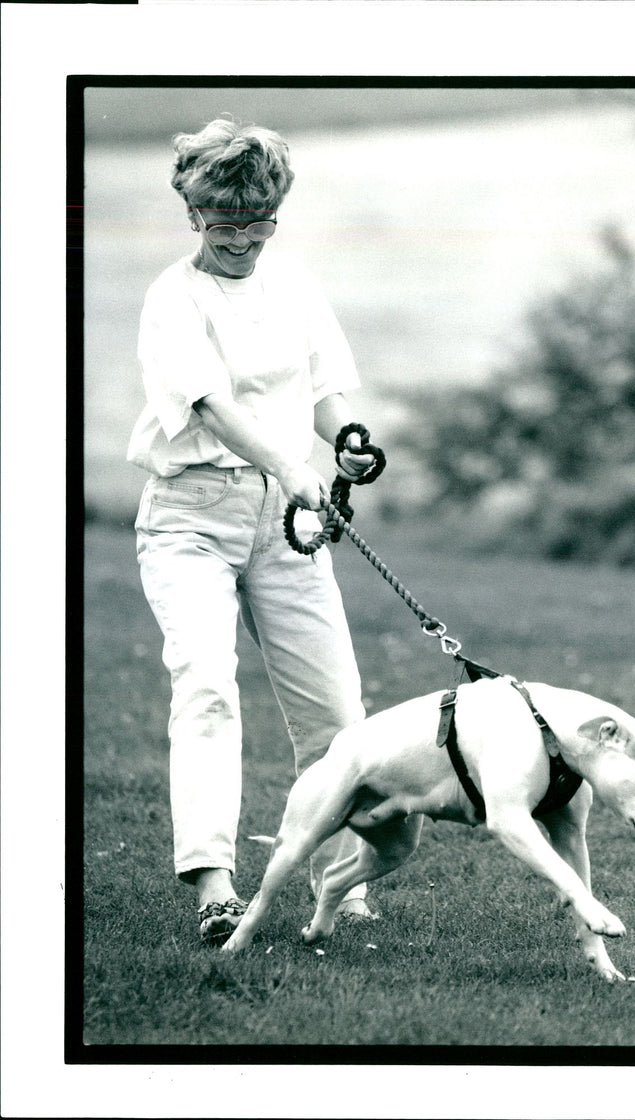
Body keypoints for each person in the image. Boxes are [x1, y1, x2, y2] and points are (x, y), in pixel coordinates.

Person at [127, 117, 380, 943]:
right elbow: (211, 407)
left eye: (258, 222)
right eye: (223, 223)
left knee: (337, 711)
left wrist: (345, 440)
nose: (240, 240)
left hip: (284, 521)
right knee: (205, 683)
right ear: (192, 214)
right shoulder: (173, 298)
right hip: (190, 516)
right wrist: (289, 463)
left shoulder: (295, 285)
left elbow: (324, 388)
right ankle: (214, 887)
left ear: (277, 214)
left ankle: (338, 889)